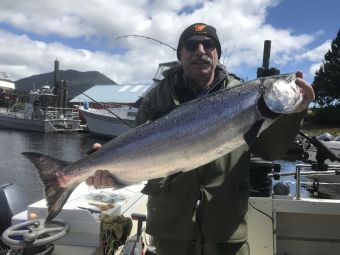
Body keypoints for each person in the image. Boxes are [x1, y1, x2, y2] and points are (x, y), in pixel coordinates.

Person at [86, 23, 315, 255]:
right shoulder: (156, 96)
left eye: (209, 44)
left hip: (227, 227)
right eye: (191, 44)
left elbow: (271, 151)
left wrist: (295, 113)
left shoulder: (244, 94)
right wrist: (110, 173)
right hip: (171, 229)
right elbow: (140, 154)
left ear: (217, 54)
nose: (201, 50)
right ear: (180, 54)